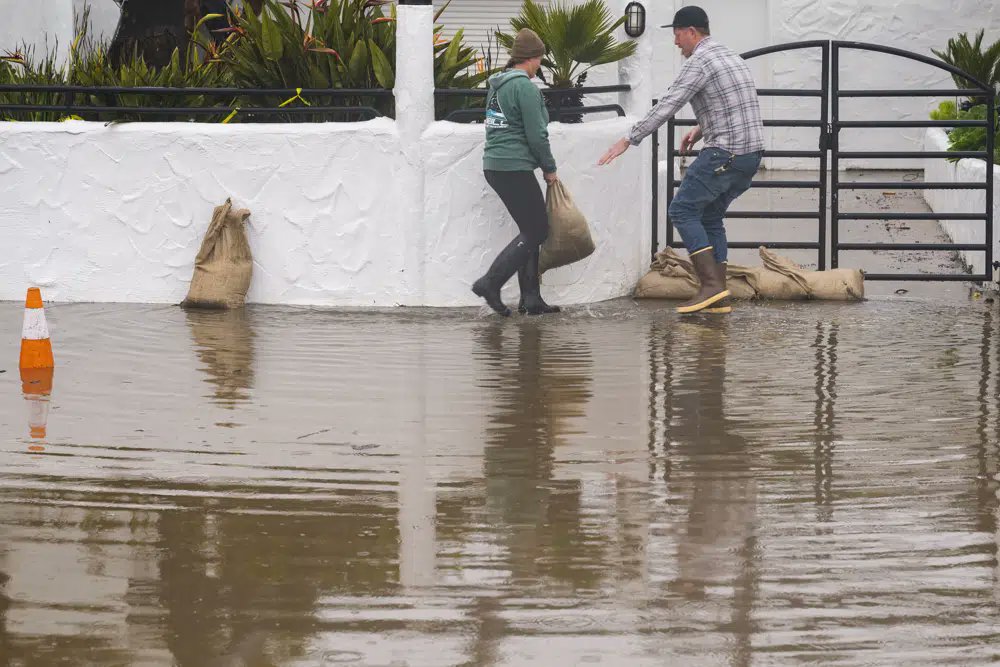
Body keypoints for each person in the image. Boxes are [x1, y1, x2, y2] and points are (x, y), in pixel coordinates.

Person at [598, 6, 765, 315]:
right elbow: (734, 104)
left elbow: (669, 104)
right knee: (710, 217)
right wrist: (700, 130)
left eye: (677, 36)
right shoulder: (730, 56)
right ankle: (719, 294)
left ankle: (710, 285)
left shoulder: (699, 61)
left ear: (691, 32)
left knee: (682, 209)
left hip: (725, 153)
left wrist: (628, 139)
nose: (676, 44)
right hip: (750, 156)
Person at [472, 28, 561, 317]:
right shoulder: (523, 87)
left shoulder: (498, 86)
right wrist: (549, 168)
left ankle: (531, 299)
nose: (540, 66)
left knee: (530, 231)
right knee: (537, 230)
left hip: (497, 166)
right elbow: (537, 135)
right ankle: (491, 282)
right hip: (513, 167)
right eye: (539, 60)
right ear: (531, 58)